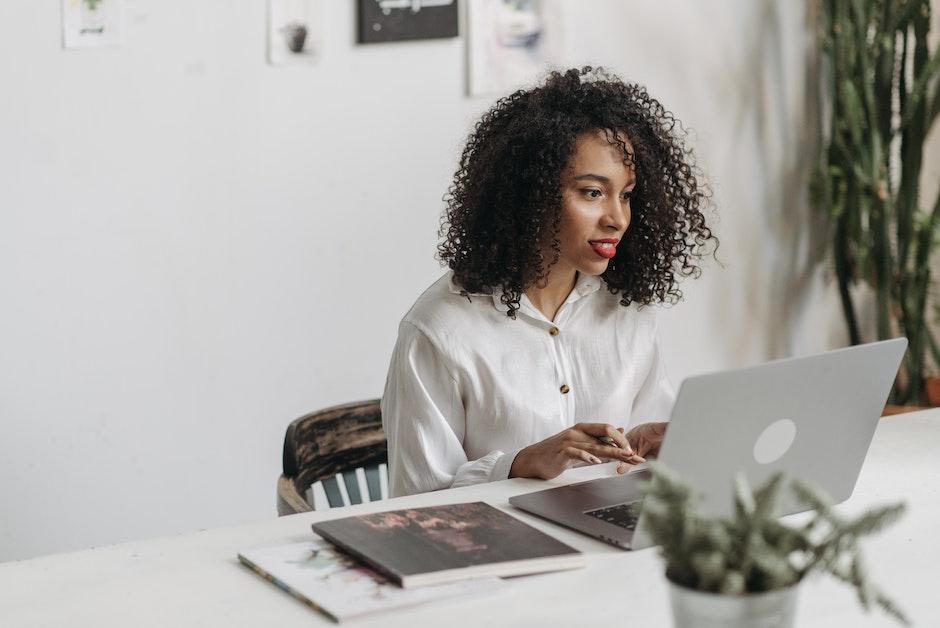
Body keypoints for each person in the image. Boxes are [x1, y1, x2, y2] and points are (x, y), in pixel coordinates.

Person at [381, 66, 717, 497]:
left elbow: (642, 470)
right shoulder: (439, 332)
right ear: (532, 194)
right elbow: (418, 503)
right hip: (501, 554)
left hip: (610, 540)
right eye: (593, 192)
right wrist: (519, 464)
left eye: (626, 194)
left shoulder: (626, 311)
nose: (617, 218)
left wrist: (644, 443)